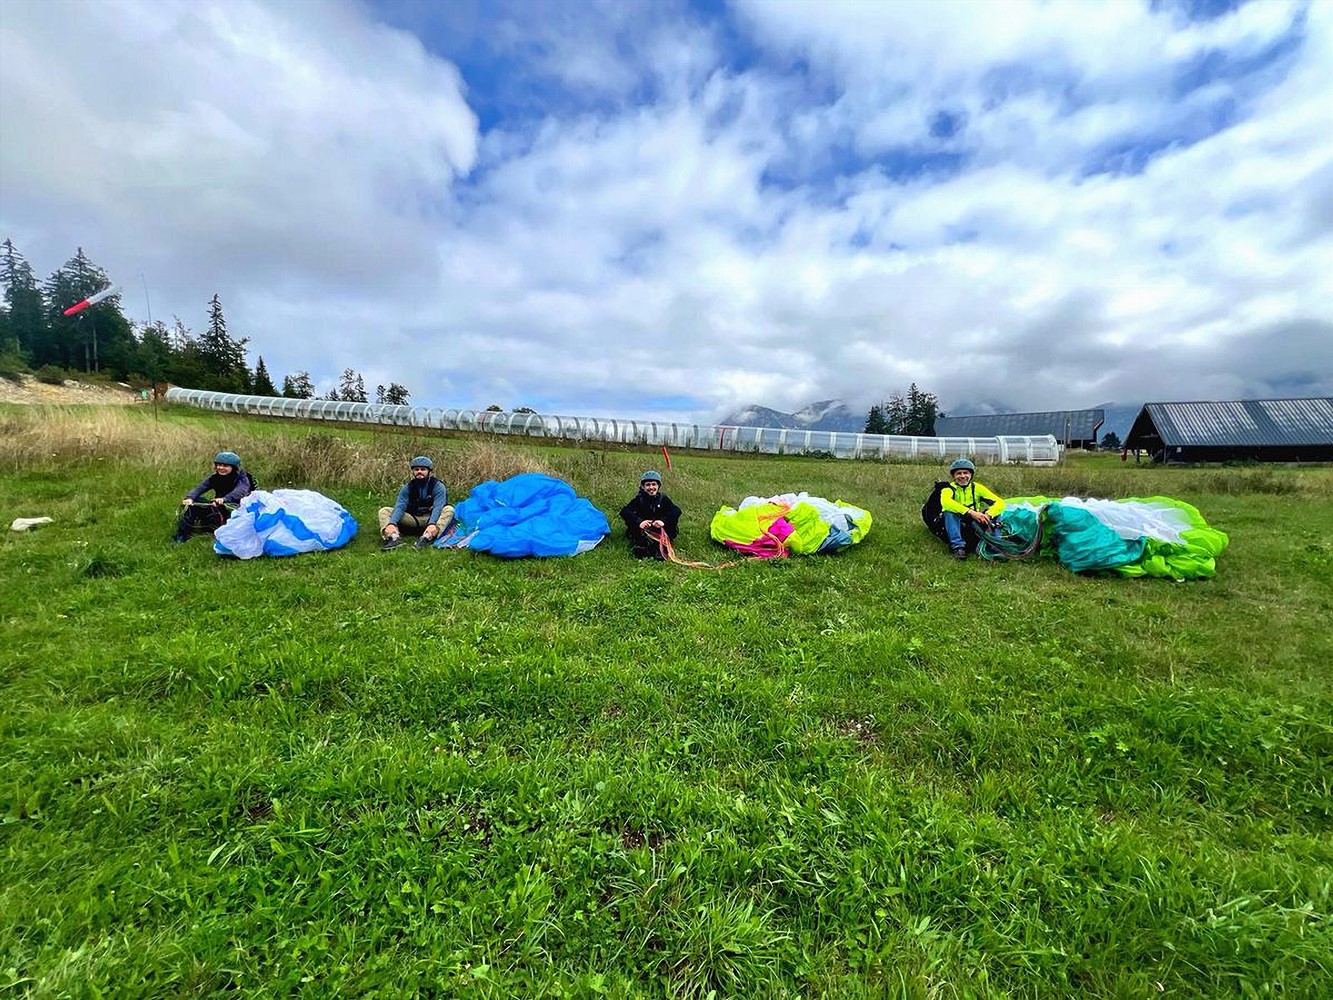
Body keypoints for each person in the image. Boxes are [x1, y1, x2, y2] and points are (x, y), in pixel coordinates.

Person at [174, 450, 255, 543]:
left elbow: (240, 491)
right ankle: (182, 535)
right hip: (218, 506)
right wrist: (190, 498)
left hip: (236, 509)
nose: (221, 468)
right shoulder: (214, 478)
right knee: (194, 503)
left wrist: (225, 499)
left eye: (225, 466)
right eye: (219, 465)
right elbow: (200, 487)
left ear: (234, 467)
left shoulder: (242, 478)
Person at [379, 455, 454, 551]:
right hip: (413, 518)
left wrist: (431, 523)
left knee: (449, 509)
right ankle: (393, 538)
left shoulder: (438, 486)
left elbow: (438, 507)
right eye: (416, 469)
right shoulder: (408, 487)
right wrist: (392, 523)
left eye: (423, 469)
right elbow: (400, 506)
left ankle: (427, 538)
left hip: (431, 519)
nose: (419, 472)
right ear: (413, 471)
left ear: (429, 471)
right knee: (384, 511)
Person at [937, 458, 1006, 560]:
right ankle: (958, 547)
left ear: (971, 475)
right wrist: (971, 512)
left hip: (973, 522)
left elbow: (999, 502)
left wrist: (988, 514)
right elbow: (946, 503)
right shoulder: (948, 489)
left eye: (966, 473)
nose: (962, 476)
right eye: (958, 473)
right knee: (949, 512)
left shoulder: (977, 488)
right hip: (957, 521)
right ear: (953, 476)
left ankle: (995, 545)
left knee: (996, 513)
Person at [619, 470, 681, 559]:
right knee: (639, 543)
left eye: (653, 484)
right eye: (648, 485)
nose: (651, 487)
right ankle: (642, 547)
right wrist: (639, 522)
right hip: (644, 530)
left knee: (672, 519)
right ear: (643, 487)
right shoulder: (639, 499)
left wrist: (663, 521)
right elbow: (625, 511)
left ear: (658, 486)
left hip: (659, 530)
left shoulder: (663, 499)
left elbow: (676, 510)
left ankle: (661, 548)